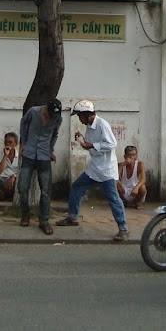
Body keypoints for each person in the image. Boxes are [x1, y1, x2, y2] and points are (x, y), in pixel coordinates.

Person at [56, 100, 129, 241]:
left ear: (87, 114)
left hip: (106, 169)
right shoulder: (89, 126)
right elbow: (90, 146)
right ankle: (72, 217)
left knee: (113, 198)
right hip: (94, 168)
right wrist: (82, 140)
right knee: (77, 187)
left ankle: (123, 229)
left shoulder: (102, 124)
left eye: (80, 116)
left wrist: (92, 145)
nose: (79, 119)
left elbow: (112, 144)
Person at [18, 99, 62, 235]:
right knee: (22, 187)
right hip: (29, 154)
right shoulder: (33, 112)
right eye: (50, 114)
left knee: (46, 191)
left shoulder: (58, 118)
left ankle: (44, 220)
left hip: (44, 156)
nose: (52, 117)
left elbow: (55, 134)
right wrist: (23, 143)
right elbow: (23, 124)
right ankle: (25, 215)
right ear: (46, 109)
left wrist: (50, 150)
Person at [0, 132, 20, 200]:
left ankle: (5, 195)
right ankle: (2, 194)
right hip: (3, 180)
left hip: (14, 180)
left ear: (16, 144)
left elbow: (21, 171)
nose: (7, 144)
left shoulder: (20, 155)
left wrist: (14, 177)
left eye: (10, 142)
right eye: (6, 142)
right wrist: (5, 156)